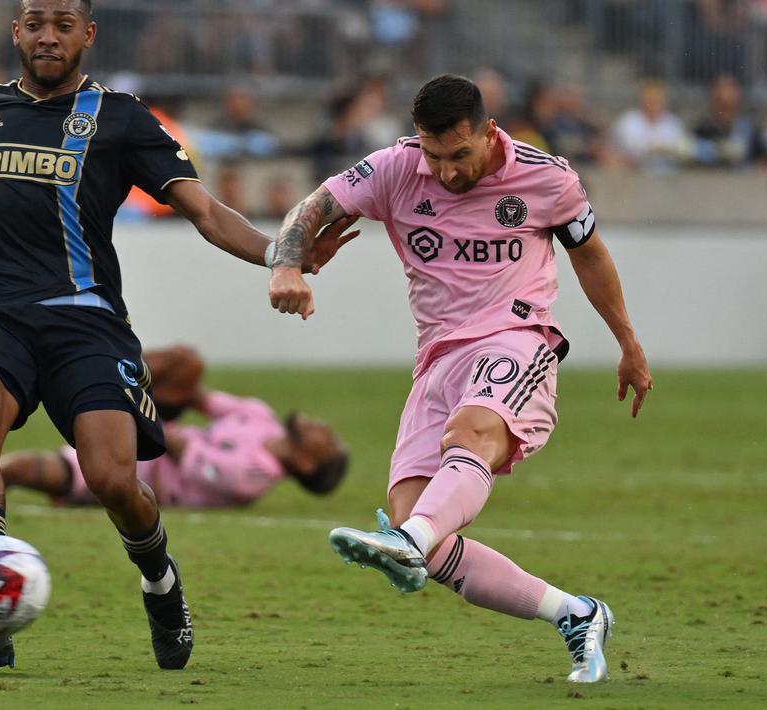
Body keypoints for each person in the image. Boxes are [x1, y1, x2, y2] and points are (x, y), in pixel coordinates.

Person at [0, 0, 355, 673]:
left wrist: (281, 257)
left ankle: (161, 584)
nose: (48, 35)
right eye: (35, 22)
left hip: (86, 322)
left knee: (112, 479)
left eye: (63, 24)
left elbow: (204, 210)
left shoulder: (124, 118)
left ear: (87, 35)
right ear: (16, 30)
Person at [267, 74, 652, 683]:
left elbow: (590, 255)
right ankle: (576, 614)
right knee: (422, 527)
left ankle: (410, 540)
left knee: (468, 442)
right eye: (434, 154)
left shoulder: (546, 178)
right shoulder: (396, 167)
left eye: (459, 155)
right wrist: (287, 264)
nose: (445, 172)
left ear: (489, 133)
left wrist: (627, 341)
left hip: (517, 339)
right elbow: (313, 207)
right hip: (436, 360)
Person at [0, 346, 349, 509]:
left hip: (138, 470)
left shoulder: (253, 478)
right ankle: (100, 363)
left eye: (329, 441)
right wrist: (157, 376)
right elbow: (195, 398)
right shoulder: (257, 415)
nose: (325, 426)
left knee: (16, 467)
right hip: (147, 430)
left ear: (306, 463)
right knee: (186, 360)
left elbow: (174, 446)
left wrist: (125, 404)